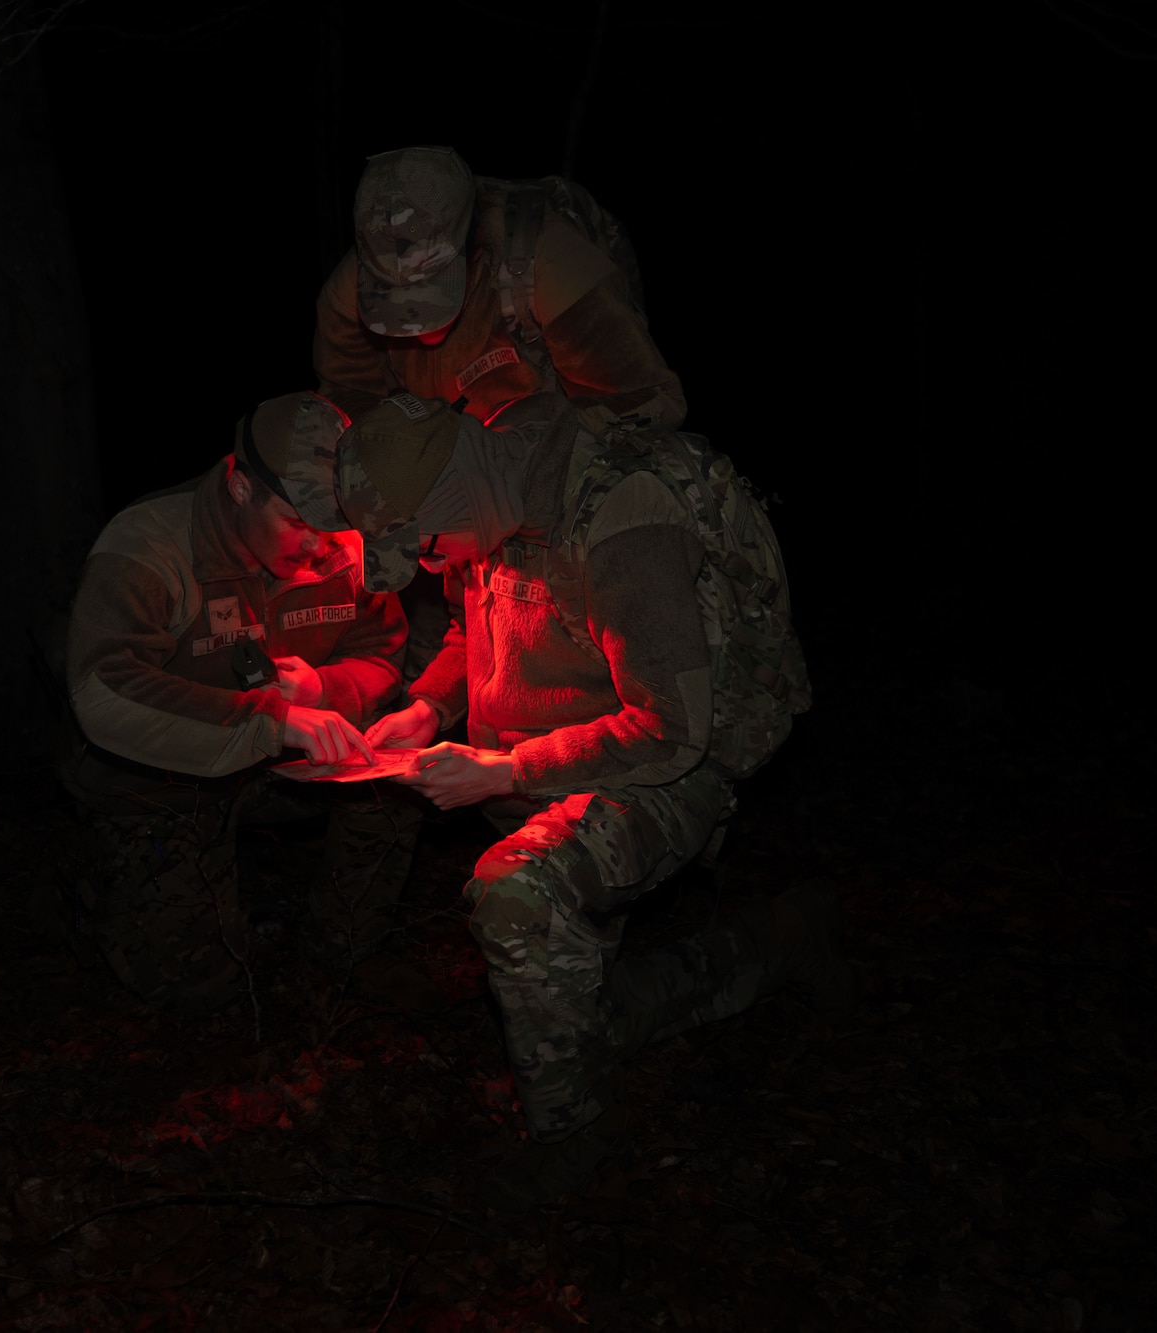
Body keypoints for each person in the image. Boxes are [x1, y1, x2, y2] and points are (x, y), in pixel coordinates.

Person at [274, 388, 845, 1210]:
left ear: (456, 494)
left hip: (665, 769)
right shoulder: (492, 484)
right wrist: (430, 707)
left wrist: (503, 773)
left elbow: (671, 728)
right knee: (585, 1014)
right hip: (556, 757)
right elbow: (479, 622)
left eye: (431, 546)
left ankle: (577, 1136)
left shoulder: (622, 518)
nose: (433, 567)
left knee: (517, 897)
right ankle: (785, 936)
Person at [56, 392, 423, 1015]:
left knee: (400, 782)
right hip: (161, 778)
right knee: (196, 990)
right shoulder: (149, 547)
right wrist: (272, 721)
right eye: (300, 521)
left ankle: (339, 954)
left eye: (334, 524)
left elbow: (381, 650)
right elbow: (104, 686)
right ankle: (94, 882)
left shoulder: (346, 543)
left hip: (278, 770)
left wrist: (324, 692)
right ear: (239, 486)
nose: (320, 545)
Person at [313, 145, 685, 436]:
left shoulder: (550, 263)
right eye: (393, 300)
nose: (418, 325)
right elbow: (348, 401)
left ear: (473, 246)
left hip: (543, 452)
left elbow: (651, 400)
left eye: (431, 289)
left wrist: (516, 447)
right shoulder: (349, 294)